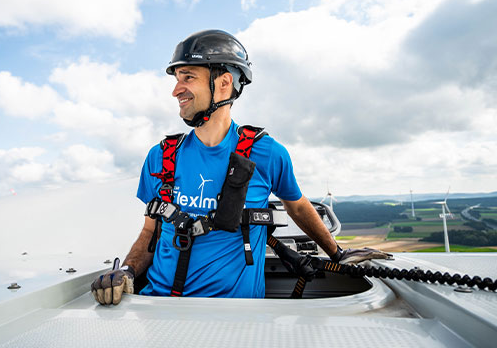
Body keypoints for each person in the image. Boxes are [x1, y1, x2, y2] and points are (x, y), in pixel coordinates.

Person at [92, 30, 389, 305]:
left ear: (224, 83)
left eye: (188, 77)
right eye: (176, 79)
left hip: (236, 316)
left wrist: (337, 253)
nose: (176, 90)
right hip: (159, 308)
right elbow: (149, 232)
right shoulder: (161, 156)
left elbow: (297, 207)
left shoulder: (267, 153)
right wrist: (128, 271)